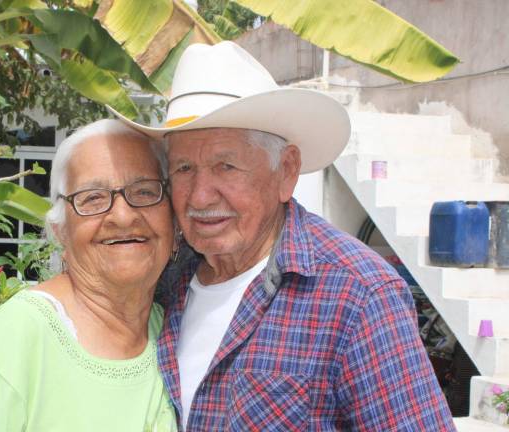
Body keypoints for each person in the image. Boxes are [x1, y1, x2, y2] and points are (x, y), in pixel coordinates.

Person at [111, 41, 456, 431]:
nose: (200, 195)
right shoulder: (164, 277)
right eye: (185, 168)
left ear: (287, 171)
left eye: (226, 166)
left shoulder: (358, 294)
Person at [0, 119, 178, 431]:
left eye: (144, 191)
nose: (124, 215)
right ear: (60, 230)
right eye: (93, 198)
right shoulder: (20, 335)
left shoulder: (171, 327)